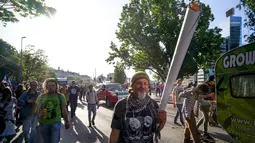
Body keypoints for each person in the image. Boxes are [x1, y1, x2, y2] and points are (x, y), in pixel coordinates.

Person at [109, 71, 166, 143]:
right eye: (139, 83)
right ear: (132, 86)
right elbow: (115, 132)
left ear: (148, 87)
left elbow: (156, 129)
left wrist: (163, 121)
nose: (142, 86)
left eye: (145, 84)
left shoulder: (153, 104)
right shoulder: (121, 105)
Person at [36, 78, 69, 143]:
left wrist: (67, 121)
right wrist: (39, 114)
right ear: (46, 86)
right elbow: (36, 110)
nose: (51, 87)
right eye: (49, 85)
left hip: (56, 123)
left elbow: (64, 110)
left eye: (53, 85)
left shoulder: (60, 96)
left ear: (56, 86)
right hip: (43, 123)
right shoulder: (41, 96)